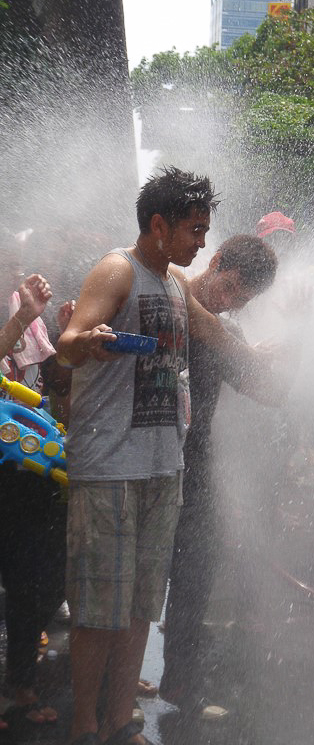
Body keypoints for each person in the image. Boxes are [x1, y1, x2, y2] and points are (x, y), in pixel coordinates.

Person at [57, 167, 277, 745]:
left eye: (205, 230)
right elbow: (67, 345)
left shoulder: (176, 286)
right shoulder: (118, 270)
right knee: (99, 608)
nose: (201, 241)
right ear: (159, 226)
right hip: (111, 465)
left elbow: (218, 338)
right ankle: (84, 727)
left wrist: (269, 357)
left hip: (164, 465)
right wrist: (88, 341)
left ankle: (119, 720)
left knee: (139, 608)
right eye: (194, 229)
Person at [159, 234, 278, 716]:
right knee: (136, 576)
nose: (231, 302)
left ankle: (179, 683)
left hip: (197, 461)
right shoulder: (165, 293)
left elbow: (270, 393)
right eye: (230, 288)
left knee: (195, 574)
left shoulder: (227, 331)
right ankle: (113, 690)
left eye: (243, 299)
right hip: (147, 457)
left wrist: (295, 344)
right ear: (215, 261)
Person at [0, 266, 69, 731]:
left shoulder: (27, 305)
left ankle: (20, 681)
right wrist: (21, 318)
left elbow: (52, 393)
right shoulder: (21, 311)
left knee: (38, 579)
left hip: (30, 466)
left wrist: (68, 341)